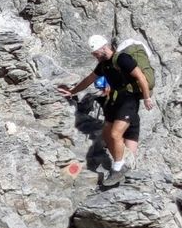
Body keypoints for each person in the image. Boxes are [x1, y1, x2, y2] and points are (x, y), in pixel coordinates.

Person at [58, 37, 153, 180]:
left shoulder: (123, 59)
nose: (94, 56)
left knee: (115, 134)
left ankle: (118, 167)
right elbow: (89, 79)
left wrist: (146, 98)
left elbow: (140, 77)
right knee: (108, 134)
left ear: (103, 48)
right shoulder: (103, 65)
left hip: (128, 100)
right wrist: (72, 91)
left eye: (95, 53)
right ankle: (123, 164)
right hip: (114, 101)